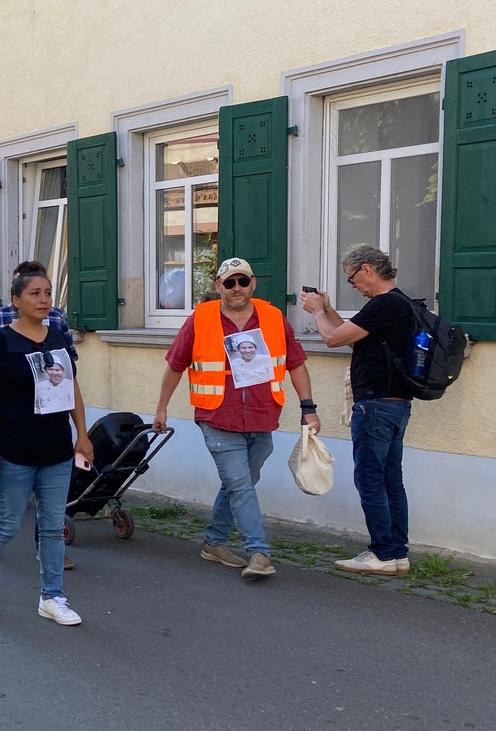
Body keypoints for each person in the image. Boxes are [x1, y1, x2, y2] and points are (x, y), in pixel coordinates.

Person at [154, 257, 320, 580]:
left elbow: (296, 363)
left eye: (243, 281)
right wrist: (162, 407)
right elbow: (175, 365)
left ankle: (214, 541)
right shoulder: (200, 319)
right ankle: (259, 552)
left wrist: (308, 407)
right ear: (218, 286)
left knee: (240, 482)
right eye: (229, 283)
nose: (237, 288)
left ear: (252, 284)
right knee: (241, 485)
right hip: (217, 417)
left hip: (261, 417)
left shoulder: (273, 317)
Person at [0, 263, 93, 624]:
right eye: (35, 293)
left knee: (51, 526)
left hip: (55, 447)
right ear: (16, 300)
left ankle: (52, 597)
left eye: (48, 293)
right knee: (7, 521)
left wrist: (82, 435)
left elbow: (71, 389)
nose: (44, 299)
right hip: (13, 445)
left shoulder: (57, 337)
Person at [299, 245, 415, 575]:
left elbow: (332, 339)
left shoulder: (385, 304)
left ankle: (382, 552)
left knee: (370, 480)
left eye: (352, 280)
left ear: (367, 269)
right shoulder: (398, 303)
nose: (355, 287)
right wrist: (329, 310)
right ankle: (397, 554)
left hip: (376, 407)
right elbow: (351, 337)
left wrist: (316, 313)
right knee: (391, 480)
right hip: (395, 406)